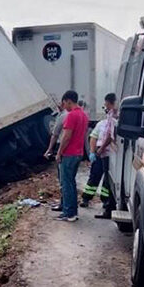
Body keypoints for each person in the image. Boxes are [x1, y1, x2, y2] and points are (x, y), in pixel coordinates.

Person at [55, 90, 89, 221]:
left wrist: (59, 152)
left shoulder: (71, 115)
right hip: (78, 153)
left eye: (64, 104)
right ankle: (73, 212)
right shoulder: (83, 115)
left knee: (66, 184)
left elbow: (66, 137)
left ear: (68, 101)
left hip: (69, 154)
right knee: (71, 183)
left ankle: (68, 213)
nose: (64, 107)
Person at [80, 93, 117, 214]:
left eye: (106, 105)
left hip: (109, 155)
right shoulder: (101, 124)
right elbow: (93, 137)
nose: (105, 108)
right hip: (99, 153)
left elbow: (110, 137)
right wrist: (92, 152)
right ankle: (86, 198)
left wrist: (101, 150)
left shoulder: (114, 122)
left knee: (107, 179)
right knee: (94, 176)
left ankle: (106, 201)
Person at [45, 99, 67, 212]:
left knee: (63, 179)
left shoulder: (62, 116)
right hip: (69, 149)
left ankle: (64, 205)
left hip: (61, 146)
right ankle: (65, 204)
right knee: (67, 179)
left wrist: (49, 149)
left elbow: (55, 134)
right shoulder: (67, 115)